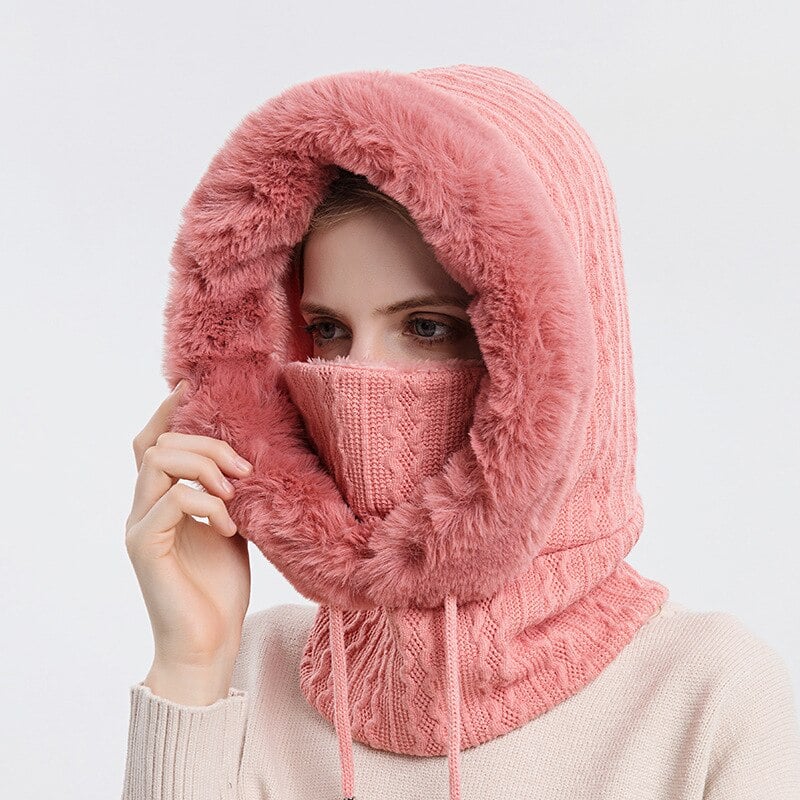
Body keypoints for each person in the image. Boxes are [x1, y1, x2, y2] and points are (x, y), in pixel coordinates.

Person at [122, 65, 800, 799]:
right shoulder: (247, 673)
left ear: (552, 353)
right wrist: (191, 666)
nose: (357, 379)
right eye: (328, 331)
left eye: (426, 326)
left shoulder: (710, 703)